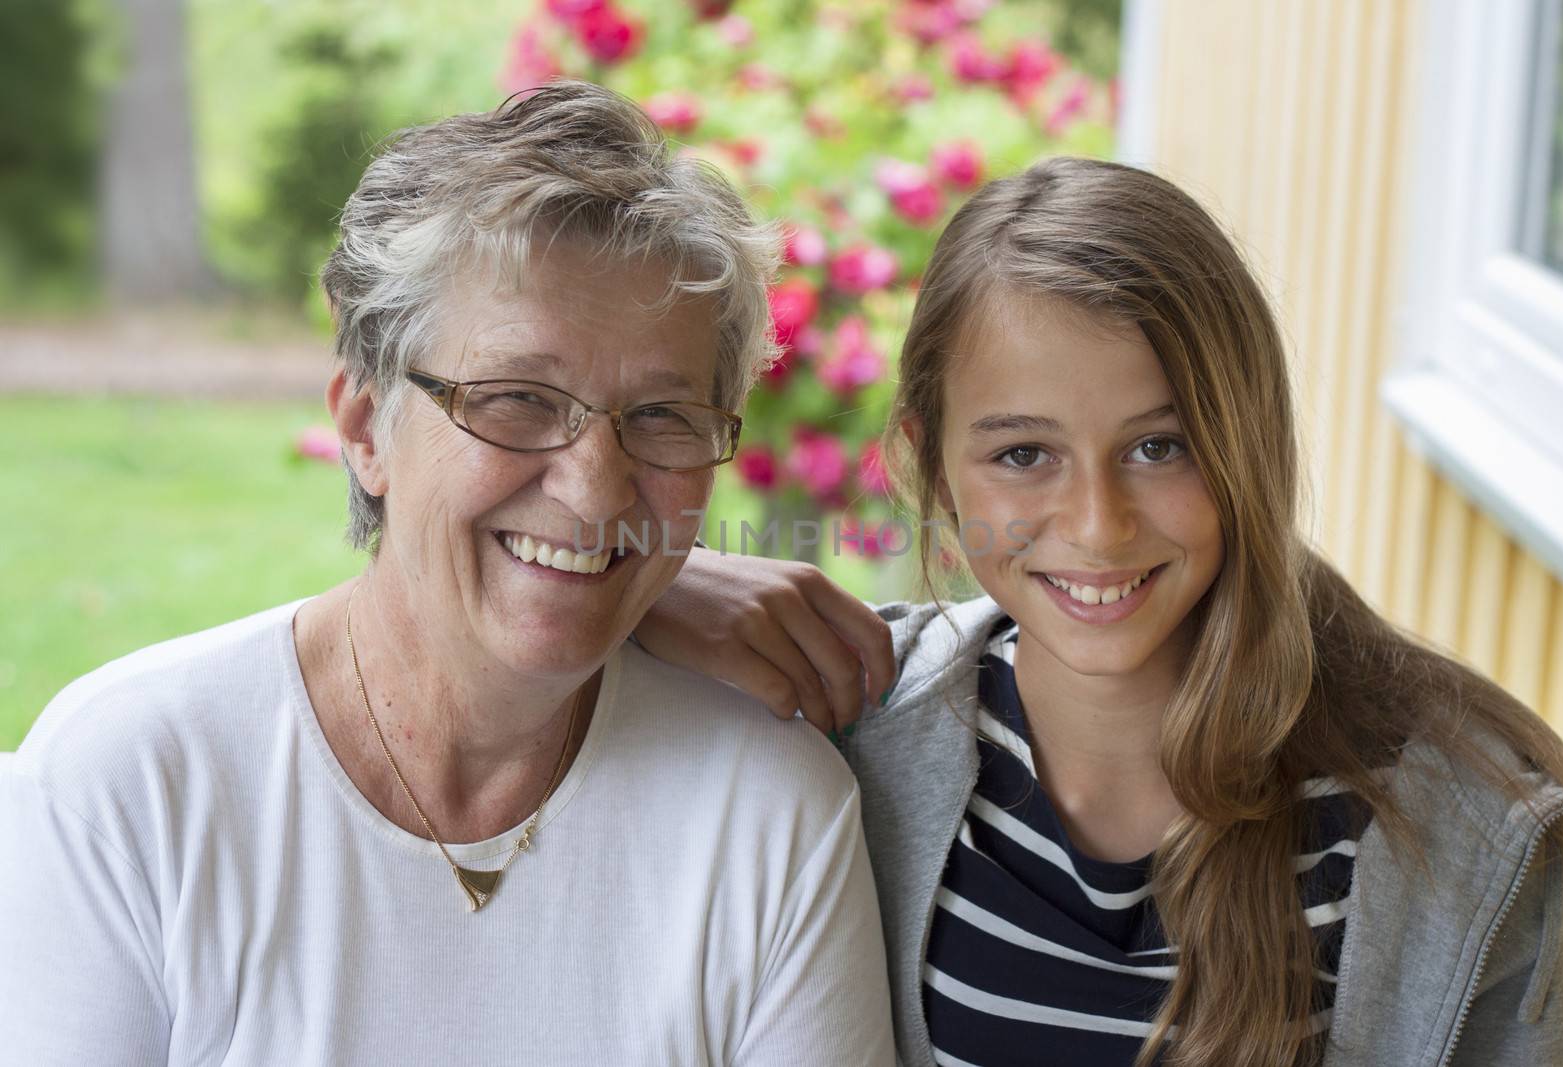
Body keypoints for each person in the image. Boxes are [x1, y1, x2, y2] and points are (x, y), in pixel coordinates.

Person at [0, 81, 894, 1066]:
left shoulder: (765, 812)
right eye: (515, 397)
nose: (596, 489)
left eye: (660, 415)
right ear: (362, 428)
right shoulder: (134, 780)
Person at [635, 156, 1563, 1066]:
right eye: (1023, 454)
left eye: (1158, 447)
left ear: (1246, 443)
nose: (1098, 528)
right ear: (932, 460)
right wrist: (651, 583)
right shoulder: (858, 720)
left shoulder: (1464, 834)